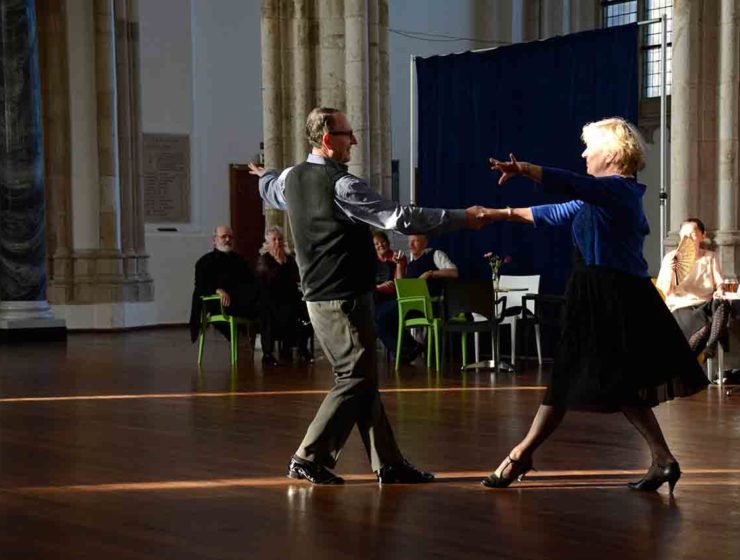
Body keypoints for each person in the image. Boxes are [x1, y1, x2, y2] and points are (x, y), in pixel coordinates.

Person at [248, 106, 492, 485]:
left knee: (364, 378)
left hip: (320, 296)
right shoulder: (342, 185)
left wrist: (264, 173)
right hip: (342, 298)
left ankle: (388, 462)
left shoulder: (290, 179)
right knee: (354, 376)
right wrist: (462, 217)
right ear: (327, 140)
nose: (355, 141)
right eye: (348, 135)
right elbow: (400, 218)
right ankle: (307, 457)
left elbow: (269, 187)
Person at [481, 117, 708, 492]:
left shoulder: (618, 191)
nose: (584, 154)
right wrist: (495, 214)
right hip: (601, 293)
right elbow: (553, 212)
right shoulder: (598, 197)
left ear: (613, 155)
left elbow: (572, 183)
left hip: (609, 295)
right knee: (619, 382)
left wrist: (524, 169)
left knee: (567, 377)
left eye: (590, 147)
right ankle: (663, 459)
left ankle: (521, 454)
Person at [655, 218, 732, 359]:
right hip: (681, 306)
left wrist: (720, 290)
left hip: (706, 303)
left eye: (693, 235)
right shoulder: (670, 258)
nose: (688, 239)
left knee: (722, 303)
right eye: (684, 235)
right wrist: (672, 270)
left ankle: (711, 346)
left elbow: (720, 283)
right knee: (705, 327)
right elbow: (667, 292)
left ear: (702, 236)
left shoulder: (710, 257)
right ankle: (687, 362)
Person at [188, 225, 259, 343]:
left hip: (241, 300)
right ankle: (241, 340)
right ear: (214, 240)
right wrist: (217, 290)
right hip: (219, 303)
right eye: (224, 237)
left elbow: (250, 282)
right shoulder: (204, 262)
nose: (227, 240)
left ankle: (259, 345)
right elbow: (200, 286)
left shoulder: (239, 261)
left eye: (230, 237)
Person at [255, 226, 313, 367]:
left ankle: (302, 349)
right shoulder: (264, 260)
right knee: (267, 310)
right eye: (274, 240)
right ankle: (267, 354)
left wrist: (284, 261)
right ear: (268, 243)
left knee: (307, 311)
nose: (277, 242)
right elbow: (267, 281)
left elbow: (296, 278)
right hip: (271, 300)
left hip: (289, 299)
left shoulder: (290, 259)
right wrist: (280, 263)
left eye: (280, 239)